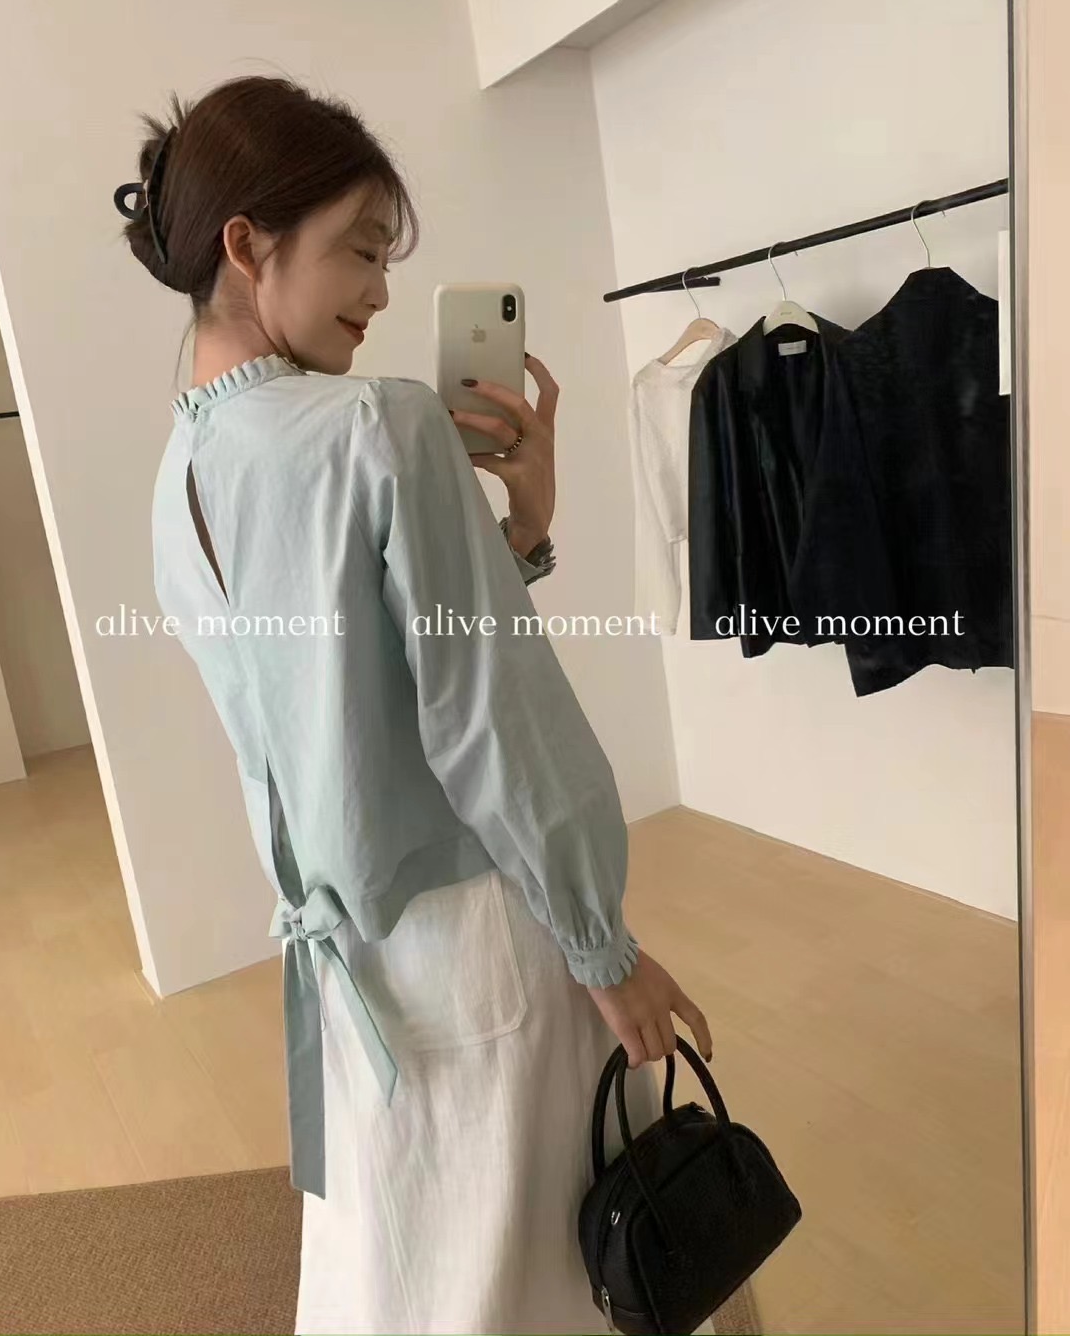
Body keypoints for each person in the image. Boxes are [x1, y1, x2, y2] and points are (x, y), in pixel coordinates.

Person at [125, 73, 713, 1335]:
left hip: (349, 951)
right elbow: (488, 715)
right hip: (482, 925)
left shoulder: (178, 478)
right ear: (247, 244)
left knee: (407, 1256)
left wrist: (520, 537)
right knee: (537, 1262)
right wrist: (603, 948)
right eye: (361, 249)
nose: (383, 292)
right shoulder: (378, 426)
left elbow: (354, 674)